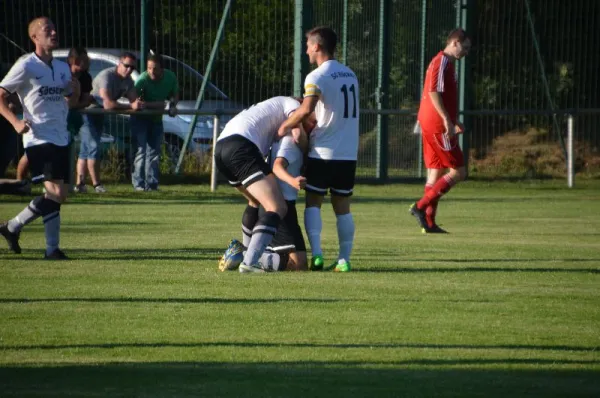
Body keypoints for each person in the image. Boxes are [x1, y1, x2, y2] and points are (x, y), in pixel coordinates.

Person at [278, 26, 359, 273]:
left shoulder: (316, 76)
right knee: (342, 206)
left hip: (323, 152)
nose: (306, 51)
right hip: (348, 153)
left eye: (307, 46)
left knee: (313, 203)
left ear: (317, 47)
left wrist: (284, 126)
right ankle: (344, 259)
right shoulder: (350, 74)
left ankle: (318, 255)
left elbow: (306, 110)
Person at [0, 17, 78, 259]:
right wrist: (15, 122)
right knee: (56, 192)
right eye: (48, 30)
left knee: (58, 195)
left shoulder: (63, 68)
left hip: (61, 137)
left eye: (54, 29)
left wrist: (74, 91)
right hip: (38, 137)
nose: (54, 32)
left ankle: (13, 227)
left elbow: (70, 101)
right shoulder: (26, 65)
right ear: (34, 37)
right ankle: (51, 249)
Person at [214, 96, 304, 273]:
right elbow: (298, 133)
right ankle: (249, 260)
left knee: (255, 201)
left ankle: (244, 252)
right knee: (277, 207)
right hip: (241, 146)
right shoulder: (292, 103)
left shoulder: (267, 107)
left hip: (220, 148)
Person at [409, 28, 471, 233]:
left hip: (434, 122)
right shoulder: (442, 61)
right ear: (455, 42)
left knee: (435, 173)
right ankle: (419, 206)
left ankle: (429, 223)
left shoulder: (447, 64)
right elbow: (433, 92)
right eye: (465, 47)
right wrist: (446, 120)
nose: (466, 52)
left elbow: (446, 97)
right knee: (459, 171)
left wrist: (454, 119)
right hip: (437, 125)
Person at [90, 51, 143, 187]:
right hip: (88, 112)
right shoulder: (106, 76)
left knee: (89, 148)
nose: (129, 69)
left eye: (133, 68)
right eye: (127, 66)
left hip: (100, 114)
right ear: (119, 64)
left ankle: (80, 183)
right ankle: (95, 184)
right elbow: (107, 104)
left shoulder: (128, 80)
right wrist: (131, 106)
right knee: (91, 147)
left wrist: (137, 104)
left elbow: (134, 100)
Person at [131, 54, 178, 191]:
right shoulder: (142, 79)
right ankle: (138, 185)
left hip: (156, 120)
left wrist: (172, 105)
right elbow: (137, 103)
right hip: (140, 120)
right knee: (140, 152)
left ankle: (151, 185)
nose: (151, 71)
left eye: (155, 68)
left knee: (154, 153)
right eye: (149, 68)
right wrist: (159, 105)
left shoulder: (170, 77)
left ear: (162, 69)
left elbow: (175, 95)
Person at [67, 47, 103, 193]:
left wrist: (75, 104)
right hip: (60, 116)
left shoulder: (86, 77)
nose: (88, 62)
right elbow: (65, 102)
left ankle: (80, 184)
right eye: (84, 59)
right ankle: (22, 181)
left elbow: (85, 101)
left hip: (78, 115)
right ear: (74, 60)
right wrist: (73, 103)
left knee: (87, 147)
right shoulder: (63, 74)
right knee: (61, 148)